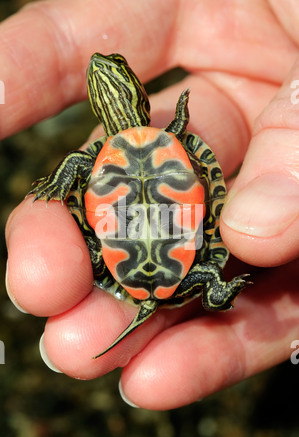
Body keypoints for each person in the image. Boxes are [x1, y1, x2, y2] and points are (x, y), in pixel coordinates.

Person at [3, 0, 299, 410]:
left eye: (116, 64)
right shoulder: (171, 137)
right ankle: (214, 288)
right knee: (207, 268)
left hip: (123, 254)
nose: (100, 66)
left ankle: (210, 290)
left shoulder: (99, 156)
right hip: (178, 255)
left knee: (91, 249)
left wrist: (59, 186)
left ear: (135, 92)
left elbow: (76, 169)